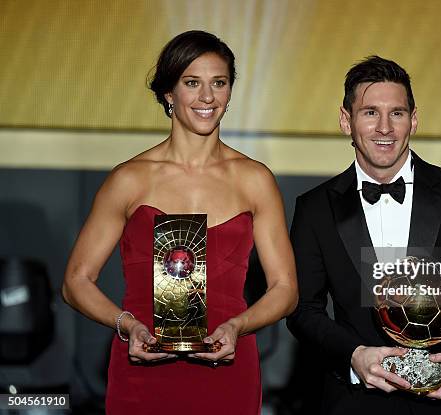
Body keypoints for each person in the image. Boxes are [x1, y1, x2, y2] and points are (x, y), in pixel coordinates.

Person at [62, 30, 298, 415]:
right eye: (192, 83)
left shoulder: (255, 180)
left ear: (229, 92)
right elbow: (75, 282)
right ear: (169, 93)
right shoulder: (130, 179)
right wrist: (127, 326)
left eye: (218, 83)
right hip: (143, 366)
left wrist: (237, 326)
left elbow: (285, 288)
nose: (207, 97)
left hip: (228, 368)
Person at [286, 56, 441, 414]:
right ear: (345, 120)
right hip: (354, 403)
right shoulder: (315, 208)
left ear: (413, 120)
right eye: (370, 113)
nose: (384, 127)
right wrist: (354, 356)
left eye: (396, 113)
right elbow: (303, 309)